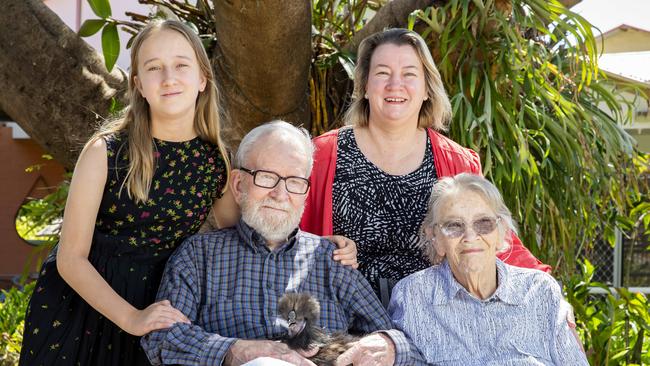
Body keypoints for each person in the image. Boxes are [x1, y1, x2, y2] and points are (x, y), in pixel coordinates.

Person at [19, 20, 238, 365]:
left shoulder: (214, 162)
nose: (169, 77)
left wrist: (318, 246)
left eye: (182, 64)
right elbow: (70, 257)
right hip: (82, 311)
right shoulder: (105, 152)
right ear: (138, 84)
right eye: (154, 67)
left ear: (202, 78)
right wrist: (131, 318)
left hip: (161, 313)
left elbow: (240, 240)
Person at [141, 121, 420, 366]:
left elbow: (400, 343)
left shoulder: (332, 260)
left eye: (295, 182)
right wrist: (234, 350)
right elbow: (160, 337)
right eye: (266, 177)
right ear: (238, 185)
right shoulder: (199, 256)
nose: (280, 193)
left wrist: (389, 345)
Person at [301, 28, 550, 301]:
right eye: (382, 73)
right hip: (344, 321)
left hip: (438, 320)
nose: (395, 84)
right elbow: (284, 240)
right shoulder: (320, 156)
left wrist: (549, 294)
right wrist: (319, 249)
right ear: (364, 87)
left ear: (426, 90)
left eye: (409, 74)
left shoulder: (457, 162)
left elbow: (496, 241)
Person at [388, 173, 588, 365]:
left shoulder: (540, 291)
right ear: (435, 238)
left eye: (484, 223)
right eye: (454, 226)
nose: (470, 236)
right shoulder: (413, 296)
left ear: (501, 232)